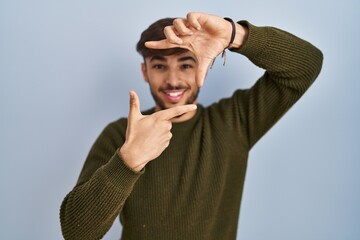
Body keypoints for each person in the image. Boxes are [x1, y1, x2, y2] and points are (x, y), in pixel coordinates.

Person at [60, 12, 323, 240]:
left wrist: (235, 35)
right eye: (160, 66)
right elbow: (77, 232)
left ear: (205, 67)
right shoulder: (120, 134)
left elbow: (306, 64)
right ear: (144, 72)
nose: (173, 80)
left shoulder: (233, 121)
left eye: (186, 65)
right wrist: (128, 161)